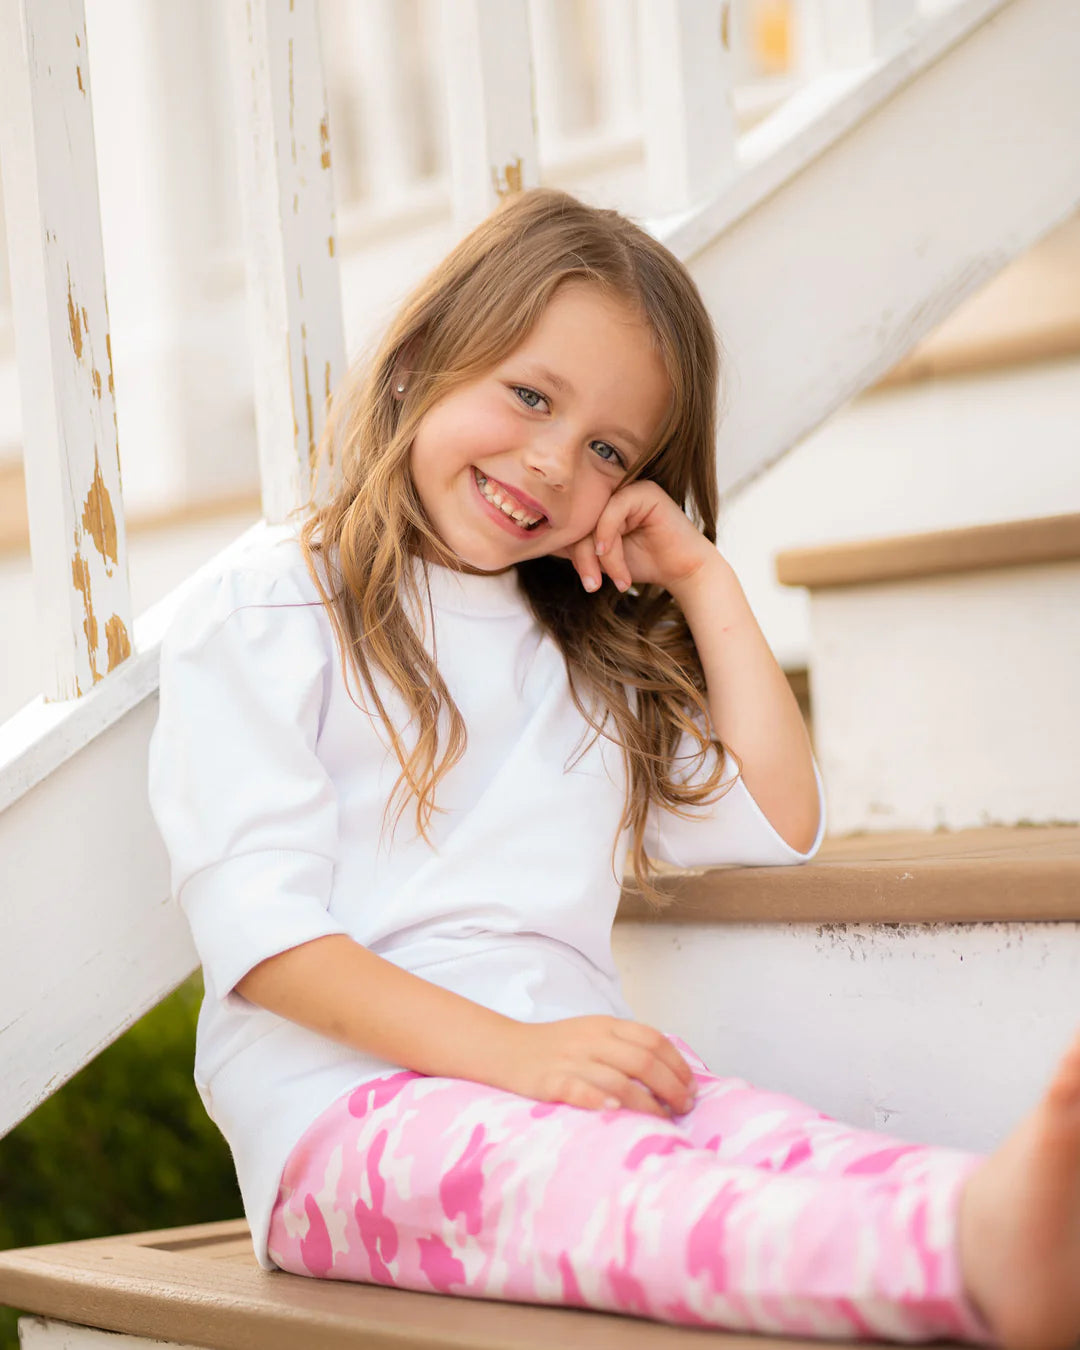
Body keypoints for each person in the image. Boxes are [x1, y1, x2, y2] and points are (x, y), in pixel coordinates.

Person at [148, 188, 1080, 1348]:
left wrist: (702, 578)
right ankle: (965, 1254)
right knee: (636, 1206)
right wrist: (522, 1058)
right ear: (424, 357)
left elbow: (783, 816)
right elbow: (267, 945)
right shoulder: (271, 603)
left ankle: (988, 1220)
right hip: (345, 1119)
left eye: (605, 451)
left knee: (780, 1144)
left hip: (572, 1074)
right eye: (529, 395)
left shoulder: (575, 644)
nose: (549, 463)